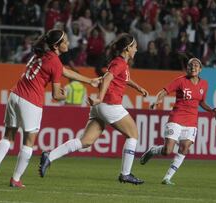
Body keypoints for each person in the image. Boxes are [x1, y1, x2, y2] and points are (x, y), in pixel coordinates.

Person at [0, 29, 100, 188]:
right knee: (28, 143)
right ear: (57, 46)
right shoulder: (55, 63)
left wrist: (89, 81)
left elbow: (65, 71)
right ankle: (15, 179)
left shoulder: (40, 54)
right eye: (65, 41)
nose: (68, 43)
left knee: (8, 136)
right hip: (31, 101)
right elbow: (56, 95)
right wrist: (67, 96)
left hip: (14, 95)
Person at [39, 33, 149, 185]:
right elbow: (108, 78)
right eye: (135, 47)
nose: (136, 49)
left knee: (85, 141)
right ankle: (126, 174)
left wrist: (139, 88)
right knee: (133, 135)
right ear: (128, 48)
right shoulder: (120, 63)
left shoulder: (119, 62)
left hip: (100, 108)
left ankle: (49, 156)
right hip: (110, 105)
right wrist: (100, 98)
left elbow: (124, 78)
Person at [140, 57, 216, 185]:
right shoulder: (180, 81)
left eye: (195, 65)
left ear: (200, 69)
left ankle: (167, 178)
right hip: (176, 118)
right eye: (190, 65)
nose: (192, 67)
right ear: (187, 68)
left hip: (191, 122)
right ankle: (152, 150)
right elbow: (164, 91)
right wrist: (156, 101)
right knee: (167, 151)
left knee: (184, 148)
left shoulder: (204, 84)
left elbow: (201, 101)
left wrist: (211, 110)